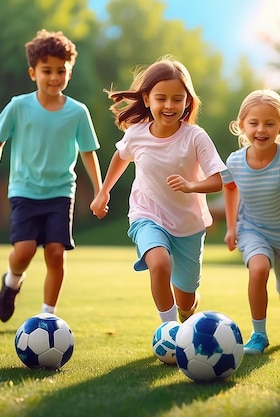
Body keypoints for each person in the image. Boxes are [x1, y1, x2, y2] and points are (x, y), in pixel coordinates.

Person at [90, 56, 226, 324]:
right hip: (147, 215)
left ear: (187, 100)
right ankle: (169, 330)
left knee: (186, 298)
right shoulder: (137, 133)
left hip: (188, 225)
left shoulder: (195, 137)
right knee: (159, 263)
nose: (169, 105)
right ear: (147, 97)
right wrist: (104, 191)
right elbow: (121, 156)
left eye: (177, 98)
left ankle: (186, 313)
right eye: (161, 97)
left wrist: (191, 185)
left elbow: (217, 180)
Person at [0, 29, 103, 322]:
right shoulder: (18, 106)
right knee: (23, 252)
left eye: (61, 70)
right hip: (24, 190)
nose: (54, 77)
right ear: (32, 72)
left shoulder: (77, 112)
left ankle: (48, 316)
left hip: (61, 192)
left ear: (69, 73)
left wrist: (100, 190)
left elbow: (88, 153)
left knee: (56, 254)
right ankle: (11, 280)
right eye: (46, 70)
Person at [222, 89, 280, 354]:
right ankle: (259, 335)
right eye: (254, 123)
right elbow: (230, 190)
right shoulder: (235, 161)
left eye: (269, 123)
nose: (261, 129)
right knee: (258, 269)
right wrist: (231, 227)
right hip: (252, 229)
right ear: (242, 125)